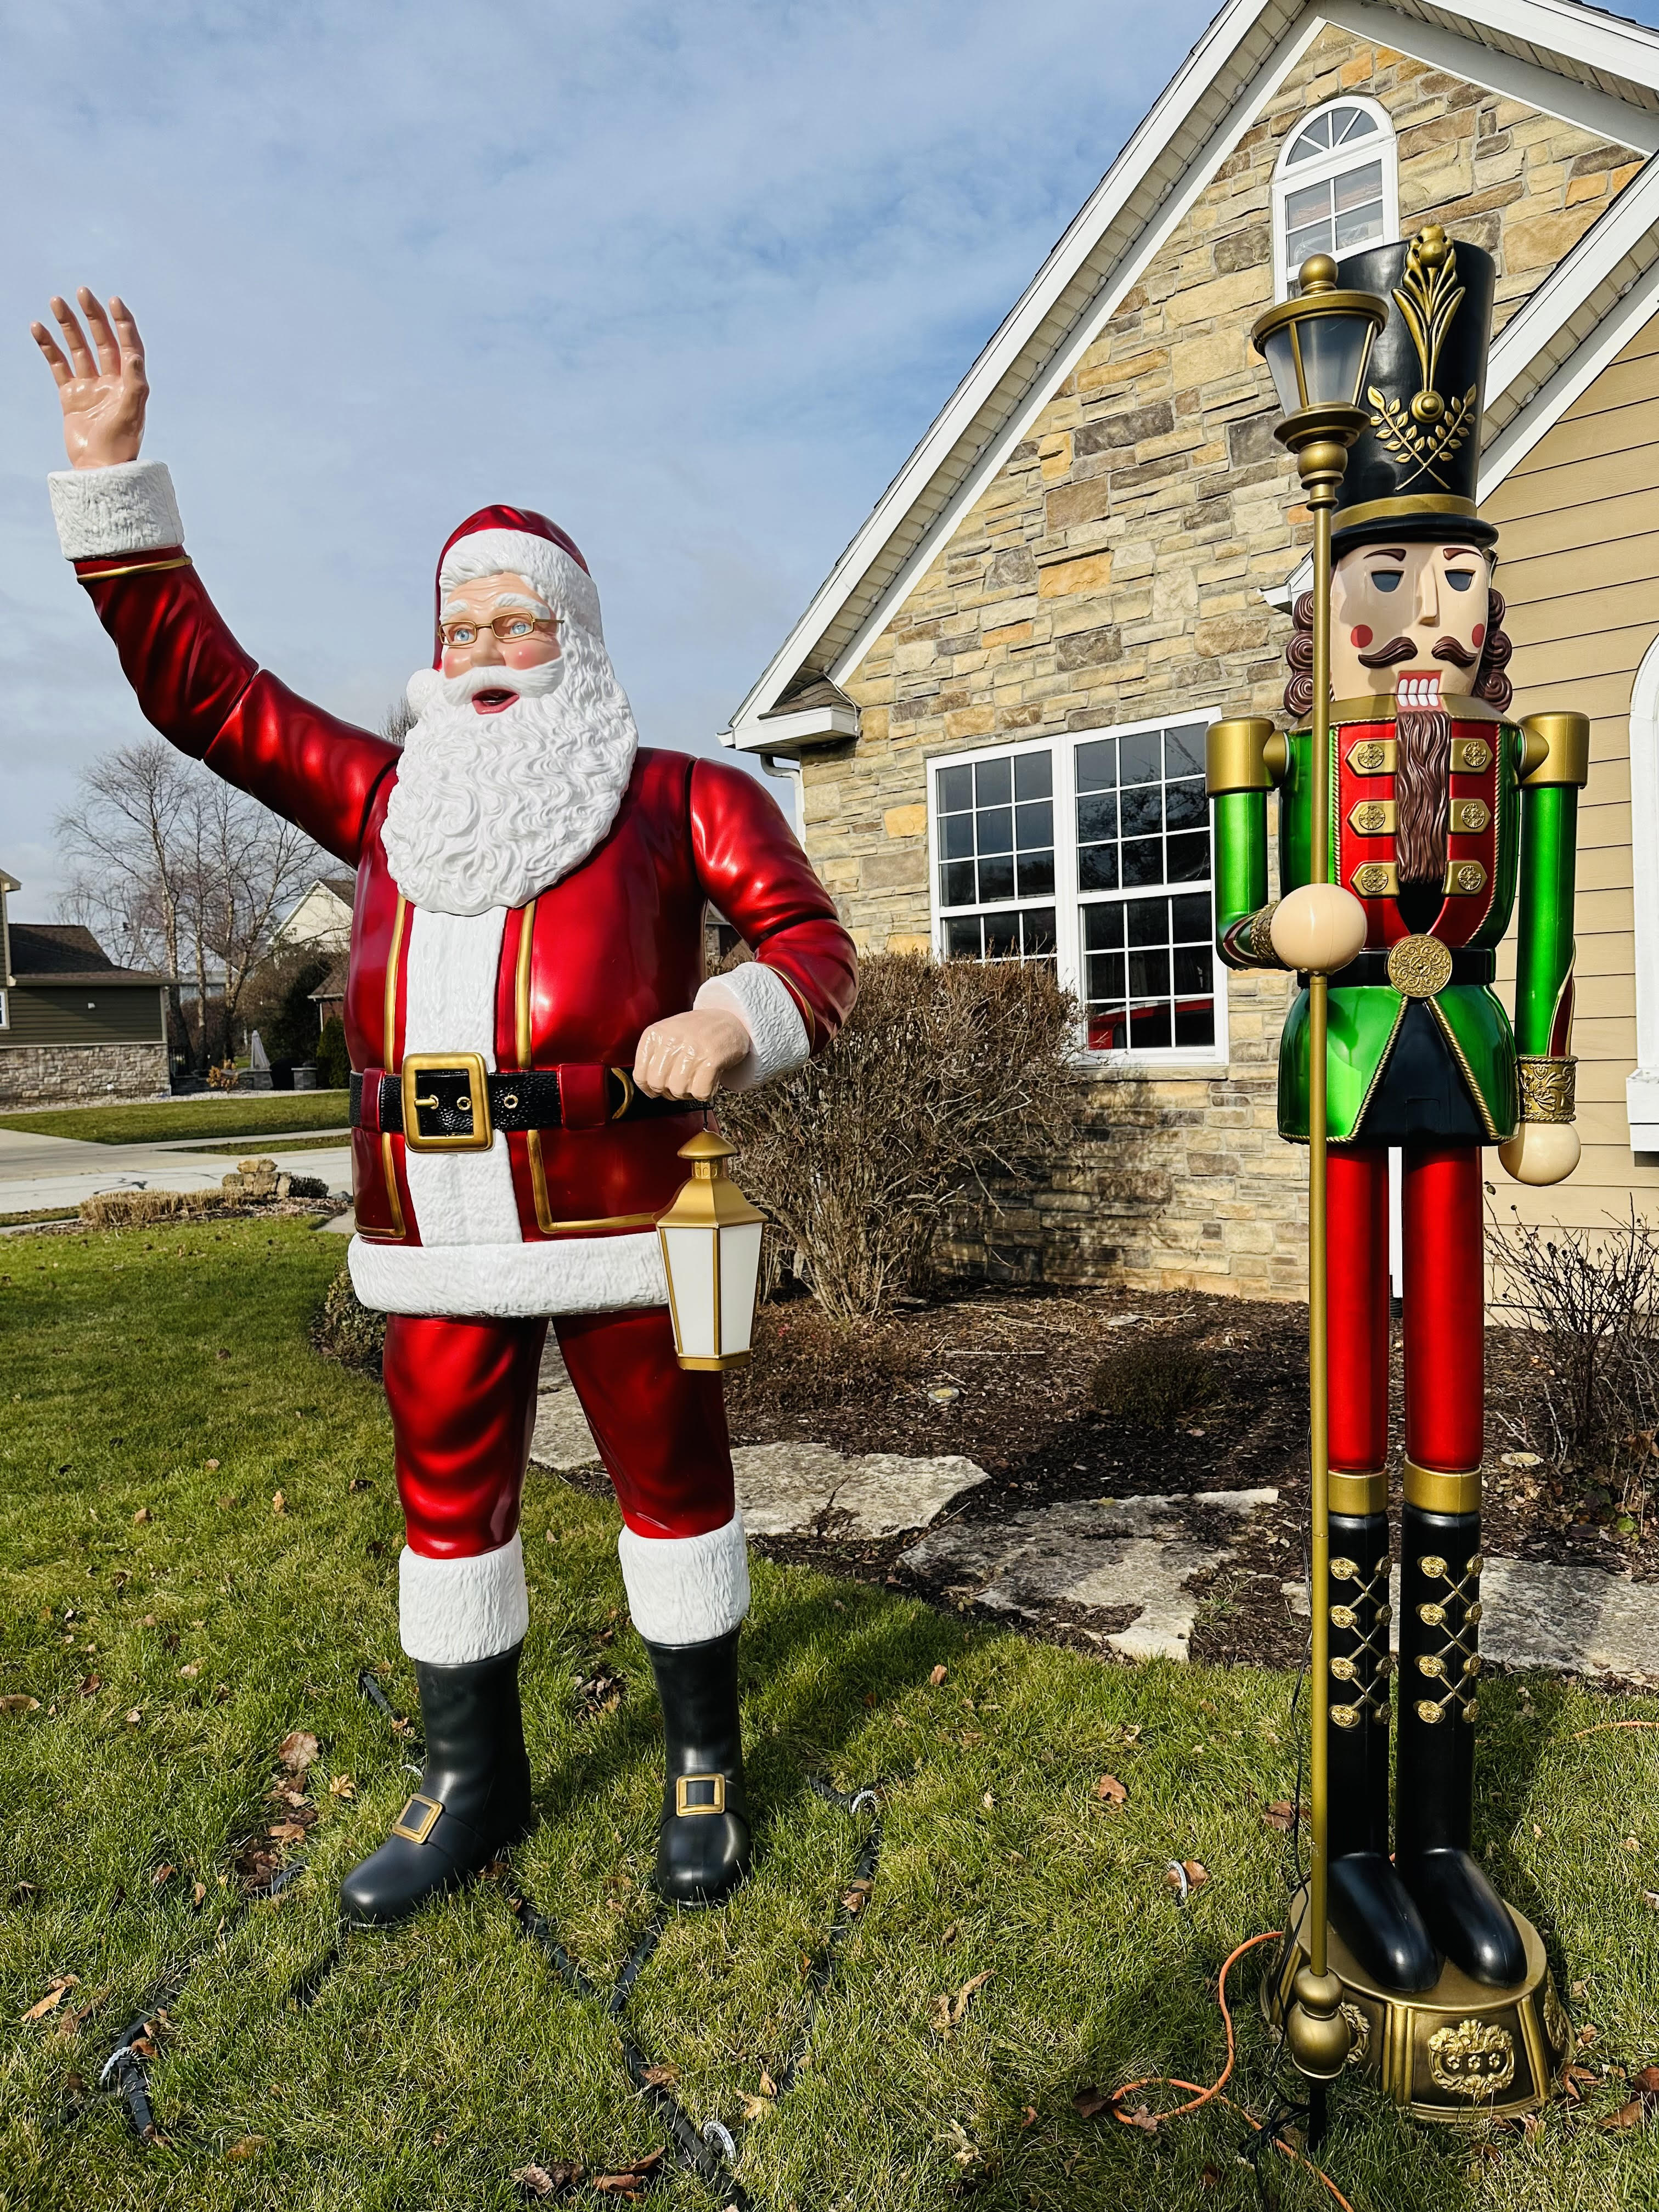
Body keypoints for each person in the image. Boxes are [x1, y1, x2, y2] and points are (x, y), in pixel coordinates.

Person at [33, 288, 857, 1926]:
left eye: (519, 626)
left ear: (579, 642)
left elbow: (812, 944)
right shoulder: (385, 796)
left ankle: (703, 1764)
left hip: (619, 1217)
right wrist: (114, 486)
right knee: (444, 1513)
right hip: (433, 1227)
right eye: (463, 628)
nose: (487, 655)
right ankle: (471, 1780)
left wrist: (732, 1014)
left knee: (673, 1489)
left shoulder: (683, 796)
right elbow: (206, 696)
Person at [1208, 228, 1584, 1998]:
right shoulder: (1288, 757)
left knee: (1455, 1429)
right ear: (1333, 604)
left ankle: (1438, 1830)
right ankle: (1356, 1848)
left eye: (1452, 582)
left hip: (1467, 1068)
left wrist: (1555, 1091)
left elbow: (1559, 917)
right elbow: (1236, 910)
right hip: (1353, 1064)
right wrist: (1291, 925)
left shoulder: (1517, 751)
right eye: (1389, 585)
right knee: (1351, 1420)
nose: (1425, 619)